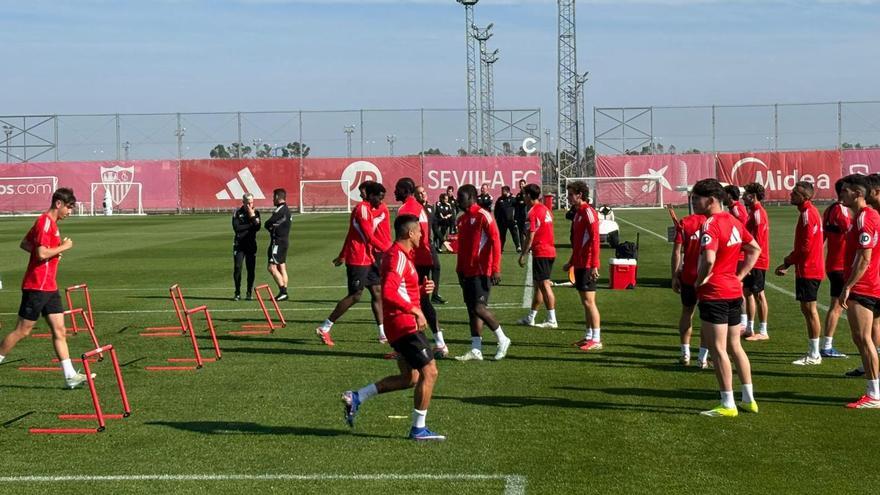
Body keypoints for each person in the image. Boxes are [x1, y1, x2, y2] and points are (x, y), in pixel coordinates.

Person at [341, 214, 445, 441]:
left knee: (411, 378)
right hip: (404, 325)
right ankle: (418, 429)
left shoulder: (400, 256)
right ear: (410, 233)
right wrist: (415, 310)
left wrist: (420, 289)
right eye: (419, 231)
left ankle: (357, 396)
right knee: (431, 371)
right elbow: (388, 293)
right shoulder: (397, 256)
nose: (421, 235)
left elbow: (400, 289)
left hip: (398, 324)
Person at [0, 188, 90, 389]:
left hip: (50, 286)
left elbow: (25, 244)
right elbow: (40, 254)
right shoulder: (44, 222)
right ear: (58, 204)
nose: (70, 212)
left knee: (60, 330)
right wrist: (61, 248)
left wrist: (52, 252)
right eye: (69, 207)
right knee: (22, 331)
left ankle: (70, 377)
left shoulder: (53, 225)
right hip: (37, 286)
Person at [692, 178, 761, 417]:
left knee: (718, 348)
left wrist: (700, 280)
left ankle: (728, 403)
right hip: (733, 292)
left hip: (716, 293)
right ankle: (749, 398)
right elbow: (754, 249)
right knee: (735, 346)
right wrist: (739, 275)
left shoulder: (710, 224)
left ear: (710, 200)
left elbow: (709, 259)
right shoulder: (733, 220)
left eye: (696, 198)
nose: (693, 203)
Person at [316, 181, 390, 347]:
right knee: (355, 295)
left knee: (377, 291)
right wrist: (391, 249)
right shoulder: (362, 209)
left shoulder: (369, 209)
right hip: (359, 259)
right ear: (370, 195)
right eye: (378, 198)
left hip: (368, 257)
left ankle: (383, 333)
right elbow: (369, 237)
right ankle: (325, 327)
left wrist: (342, 255)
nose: (380, 201)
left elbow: (351, 234)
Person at [837, 174, 880, 408]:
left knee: (863, 339)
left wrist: (848, 286)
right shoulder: (867, 216)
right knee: (867, 339)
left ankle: (873, 395)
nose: (841, 195)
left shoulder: (865, 218)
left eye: (844, 191)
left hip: (865, 287)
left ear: (857, 193)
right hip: (871, 285)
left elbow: (864, 258)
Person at [454, 184, 511, 361]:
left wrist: (495, 269)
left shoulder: (483, 215)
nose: (458, 200)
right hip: (466, 272)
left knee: (479, 307)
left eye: (461, 197)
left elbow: (496, 241)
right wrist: (459, 270)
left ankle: (502, 338)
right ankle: (476, 349)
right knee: (472, 310)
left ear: (471, 197)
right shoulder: (462, 219)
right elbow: (462, 248)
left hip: (482, 270)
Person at [774, 182, 826, 365]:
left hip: (809, 269)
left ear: (804, 197)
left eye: (794, 193)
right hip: (809, 268)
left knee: (810, 310)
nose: (790, 194)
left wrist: (787, 261)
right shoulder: (808, 213)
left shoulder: (807, 214)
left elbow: (805, 247)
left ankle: (814, 354)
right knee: (807, 310)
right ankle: (814, 352)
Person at [396, 178, 448, 357]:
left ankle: (419, 345)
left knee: (412, 302)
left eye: (397, 189)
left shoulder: (406, 208)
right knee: (422, 302)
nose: (395, 192)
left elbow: (406, 238)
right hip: (423, 258)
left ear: (404, 190)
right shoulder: (419, 206)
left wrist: (401, 259)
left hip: (414, 260)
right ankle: (438, 343)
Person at [564, 182, 603, 351]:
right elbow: (578, 243)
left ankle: (596, 339)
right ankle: (588, 336)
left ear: (580, 194)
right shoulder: (578, 213)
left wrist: (595, 265)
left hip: (587, 264)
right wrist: (571, 261)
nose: (569, 197)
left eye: (571, 194)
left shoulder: (588, 212)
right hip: (579, 263)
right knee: (584, 302)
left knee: (590, 302)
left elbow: (595, 239)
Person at [669, 205, 709, 367]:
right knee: (707, 319)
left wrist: (674, 276)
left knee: (687, 312)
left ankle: (685, 354)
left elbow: (677, 251)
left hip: (688, 276)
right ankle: (702, 358)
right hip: (707, 277)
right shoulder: (713, 221)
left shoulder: (685, 222)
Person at [517, 183, 557, 328]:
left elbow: (530, 236)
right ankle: (531, 317)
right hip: (550, 250)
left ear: (528, 195)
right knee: (538, 286)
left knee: (544, 285)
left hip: (542, 251)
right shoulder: (545, 209)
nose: (523, 197)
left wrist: (523, 254)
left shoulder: (532, 213)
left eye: (524, 194)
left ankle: (552, 319)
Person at [822, 179, 851, 361]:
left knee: (837, 306)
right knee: (840, 307)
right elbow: (852, 235)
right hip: (842, 266)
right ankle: (827, 346)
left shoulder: (829, 209)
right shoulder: (841, 211)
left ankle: (827, 345)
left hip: (834, 264)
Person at [742, 182, 771, 341]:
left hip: (757, 260)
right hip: (751, 259)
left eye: (746, 194)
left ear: (752, 196)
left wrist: (752, 259)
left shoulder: (758, 213)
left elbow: (758, 241)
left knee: (759, 294)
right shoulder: (753, 212)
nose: (743, 197)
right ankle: (749, 328)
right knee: (748, 293)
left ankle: (763, 330)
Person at [416, 185, 447, 305]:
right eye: (419, 193)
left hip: (429, 244)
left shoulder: (430, 208)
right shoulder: (416, 208)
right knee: (423, 271)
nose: (422, 194)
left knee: (436, 266)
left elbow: (434, 226)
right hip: (418, 245)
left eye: (423, 192)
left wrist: (443, 241)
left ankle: (435, 294)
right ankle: (422, 294)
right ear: (415, 196)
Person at [232, 193, 261, 301]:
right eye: (248, 202)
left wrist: (252, 216)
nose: (250, 204)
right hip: (239, 245)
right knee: (238, 268)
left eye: (252, 202)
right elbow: (236, 228)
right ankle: (237, 292)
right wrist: (250, 225)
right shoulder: (237, 212)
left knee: (251, 269)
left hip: (251, 245)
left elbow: (258, 227)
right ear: (243, 202)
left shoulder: (256, 212)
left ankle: (249, 292)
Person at [264, 188, 292, 301]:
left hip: (278, 242)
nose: (272, 200)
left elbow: (268, 223)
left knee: (271, 267)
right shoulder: (286, 210)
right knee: (282, 266)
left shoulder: (280, 210)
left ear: (277, 197)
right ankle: (284, 290)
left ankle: (283, 291)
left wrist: (270, 227)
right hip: (284, 241)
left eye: (273, 197)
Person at [494, 186, 521, 253]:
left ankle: (518, 247)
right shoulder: (500, 199)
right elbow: (496, 210)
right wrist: (497, 218)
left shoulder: (513, 199)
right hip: (502, 221)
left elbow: (517, 209)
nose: (502, 192)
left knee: (514, 234)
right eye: (502, 191)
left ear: (508, 191)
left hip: (511, 220)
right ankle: (501, 248)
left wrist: (516, 218)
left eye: (503, 191)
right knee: (502, 235)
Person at [514, 179, 528, 249]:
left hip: (526, 217)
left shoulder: (528, 195)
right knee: (520, 232)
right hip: (519, 217)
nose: (521, 185)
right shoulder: (518, 195)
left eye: (522, 184)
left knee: (526, 232)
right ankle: (523, 248)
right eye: (520, 184)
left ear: (525, 184)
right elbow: (516, 207)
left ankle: (530, 246)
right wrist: (515, 218)